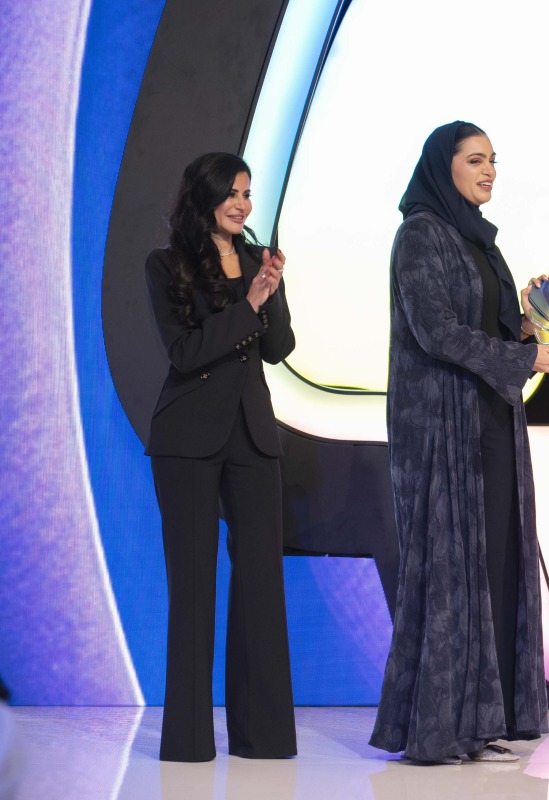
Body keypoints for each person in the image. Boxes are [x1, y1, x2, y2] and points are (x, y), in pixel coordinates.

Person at [370, 121, 549, 765]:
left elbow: (493, 331)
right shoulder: (421, 234)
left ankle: (484, 720)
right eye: (475, 160)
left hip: (490, 420)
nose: (489, 171)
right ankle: (439, 728)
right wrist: (527, 357)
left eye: (493, 161)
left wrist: (536, 321)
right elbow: (436, 331)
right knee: (454, 572)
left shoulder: (479, 240)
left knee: (496, 563)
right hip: (442, 427)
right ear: (442, 167)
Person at [144, 152, 297, 762]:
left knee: (261, 584)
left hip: (252, 438)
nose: (242, 204)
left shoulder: (259, 262)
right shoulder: (167, 265)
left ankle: (261, 739)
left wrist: (272, 292)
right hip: (186, 440)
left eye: (248, 193)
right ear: (204, 197)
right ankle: (187, 743)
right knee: (193, 587)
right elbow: (185, 353)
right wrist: (248, 305)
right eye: (231, 193)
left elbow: (279, 347)